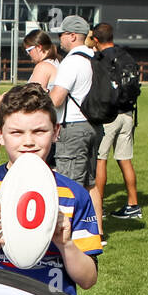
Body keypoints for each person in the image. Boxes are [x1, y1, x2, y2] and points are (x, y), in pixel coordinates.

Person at [0, 84, 101, 295]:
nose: (29, 142)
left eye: (39, 131)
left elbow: (88, 279)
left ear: (56, 132)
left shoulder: (74, 195)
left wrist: (65, 244)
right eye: (16, 132)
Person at [92, 22, 142, 225]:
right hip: (128, 113)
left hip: (108, 115)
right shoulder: (125, 55)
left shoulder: (100, 59)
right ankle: (133, 204)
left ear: (96, 39)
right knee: (125, 159)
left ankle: (98, 206)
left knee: (100, 159)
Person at [47, 16, 102, 194]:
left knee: (69, 185)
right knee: (90, 184)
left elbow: (56, 100)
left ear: (72, 36)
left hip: (73, 127)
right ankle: (94, 214)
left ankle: (71, 214)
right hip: (94, 125)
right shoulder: (95, 57)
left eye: (61, 35)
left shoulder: (71, 61)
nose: (59, 39)